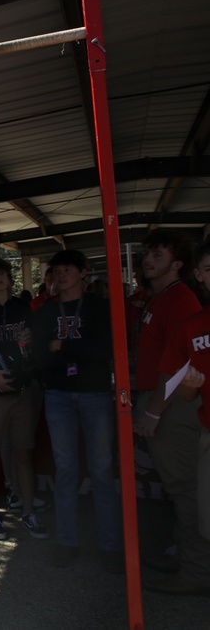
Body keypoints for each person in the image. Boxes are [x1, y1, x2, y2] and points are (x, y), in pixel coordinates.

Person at [31, 250, 122, 572]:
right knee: (66, 470)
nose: (61, 275)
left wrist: (65, 347)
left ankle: (110, 545)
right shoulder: (45, 311)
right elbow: (40, 356)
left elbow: (106, 350)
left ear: (83, 273)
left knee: (101, 469)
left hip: (96, 394)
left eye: (68, 269)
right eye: (56, 270)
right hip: (58, 396)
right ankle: (67, 542)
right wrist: (70, 354)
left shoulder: (99, 307)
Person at [134, 236, 210, 595]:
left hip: (174, 405)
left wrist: (153, 410)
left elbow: (180, 364)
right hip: (163, 400)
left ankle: (196, 572)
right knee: (181, 488)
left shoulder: (180, 299)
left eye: (157, 254)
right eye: (148, 253)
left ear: (179, 264)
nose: (148, 259)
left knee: (186, 489)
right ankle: (184, 556)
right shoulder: (162, 296)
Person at [0, 258, 46, 541]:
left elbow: (39, 351)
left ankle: (28, 511)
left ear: (10, 279)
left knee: (23, 453)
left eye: (1, 273)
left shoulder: (25, 311)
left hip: (23, 394)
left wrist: (33, 341)